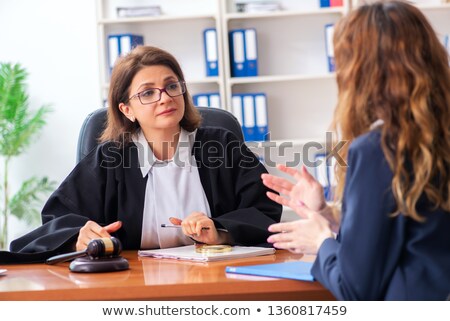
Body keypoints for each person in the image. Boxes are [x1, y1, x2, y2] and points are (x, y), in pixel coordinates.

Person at [5, 45, 281, 262]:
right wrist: (79, 236)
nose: (164, 97)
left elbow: (265, 210)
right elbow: (57, 220)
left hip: (217, 278)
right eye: (147, 93)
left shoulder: (222, 146)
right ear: (127, 109)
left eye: (172, 86)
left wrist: (219, 230)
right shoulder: (109, 159)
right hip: (131, 284)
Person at [261, 1, 450, 300]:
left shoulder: (378, 148)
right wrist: (328, 214)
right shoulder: (436, 134)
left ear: (360, 71)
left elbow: (356, 289)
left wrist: (321, 240)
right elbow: (414, 228)